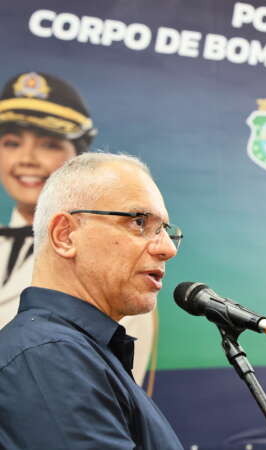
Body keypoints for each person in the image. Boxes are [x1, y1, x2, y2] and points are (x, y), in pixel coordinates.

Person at [0, 152, 184, 449]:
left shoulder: (78, 352)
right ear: (65, 235)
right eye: (139, 222)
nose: (167, 249)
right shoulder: (50, 356)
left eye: (164, 229)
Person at [0, 71, 154, 385]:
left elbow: (113, 391)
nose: (27, 159)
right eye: (12, 143)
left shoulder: (116, 268)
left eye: (49, 144)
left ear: (79, 160)